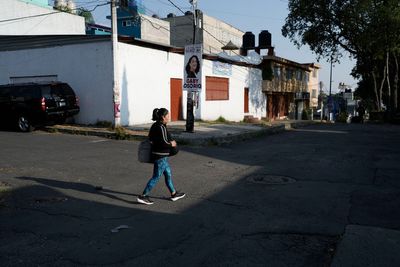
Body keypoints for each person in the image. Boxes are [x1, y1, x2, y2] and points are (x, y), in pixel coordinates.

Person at [137, 108, 185, 205]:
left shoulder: (155, 125)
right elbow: (163, 142)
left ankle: (174, 193)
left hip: (159, 155)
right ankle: (143, 196)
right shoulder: (161, 127)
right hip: (161, 156)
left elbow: (150, 138)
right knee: (156, 176)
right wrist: (172, 144)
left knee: (168, 174)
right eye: (168, 115)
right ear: (163, 117)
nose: (169, 117)